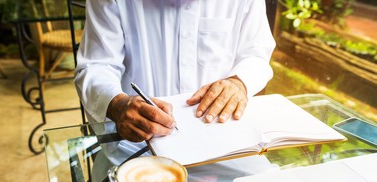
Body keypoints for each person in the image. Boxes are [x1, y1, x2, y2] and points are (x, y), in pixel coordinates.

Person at [75, 0, 276, 142]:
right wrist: (116, 104)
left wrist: (238, 82)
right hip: (137, 148)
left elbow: (256, 52)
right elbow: (97, 65)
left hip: (223, 142)